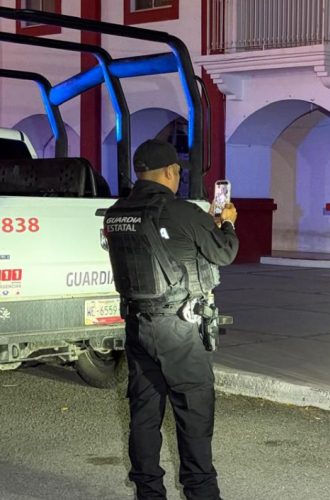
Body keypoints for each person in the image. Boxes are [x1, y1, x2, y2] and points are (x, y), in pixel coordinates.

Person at [103, 139, 239, 499]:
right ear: (170, 171)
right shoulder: (182, 211)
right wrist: (226, 223)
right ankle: (201, 492)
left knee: (144, 413)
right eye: (178, 172)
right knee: (194, 413)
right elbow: (225, 253)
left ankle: (148, 492)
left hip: (137, 326)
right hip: (178, 329)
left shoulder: (116, 213)